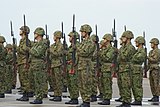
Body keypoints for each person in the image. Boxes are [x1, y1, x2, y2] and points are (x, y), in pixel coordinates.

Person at [76, 24, 95, 107]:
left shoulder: (90, 42)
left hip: (86, 65)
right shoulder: (83, 42)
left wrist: (77, 48)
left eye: (82, 31)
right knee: (81, 84)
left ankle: (87, 101)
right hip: (81, 64)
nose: (81, 33)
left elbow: (85, 52)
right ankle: (84, 100)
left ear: (86, 32)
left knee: (86, 83)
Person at [116, 30, 136, 107]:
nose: (122, 38)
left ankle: (127, 102)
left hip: (127, 69)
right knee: (122, 86)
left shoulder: (130, 47)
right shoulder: (123, 47)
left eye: (123, 37)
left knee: (126, 86)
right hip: (122, 68)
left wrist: (120, 51)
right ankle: (124, 101)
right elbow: (119, 59)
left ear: (128, 38)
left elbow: (124, 57)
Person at [29, 27, 48, 104]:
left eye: (35, 33)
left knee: (39, 81)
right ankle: (37, 96)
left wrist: (30, 49)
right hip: (34, 64)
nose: (34, 34)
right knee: (34, 81)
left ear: (39, 34)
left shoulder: (43, 43)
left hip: (39, 64)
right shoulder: (36, 43)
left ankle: (39, 98)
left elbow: (38, 53)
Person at [97, 34, 115, 105]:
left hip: (107, 68)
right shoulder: (105, 49)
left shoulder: (111, 49)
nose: (103, 41)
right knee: (103, 84)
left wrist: (100, 54)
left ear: (108, 40)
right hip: (103, 68)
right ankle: (105, 97)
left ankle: (107, 99)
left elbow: (107, 58)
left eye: (104, 39)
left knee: (107, 84)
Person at [16, 26, 32, 101]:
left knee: (25, 79)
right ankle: (24, 93)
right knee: (22, 78)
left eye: (21, 30)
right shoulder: (21, 40)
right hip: (20, 62)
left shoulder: (26, 41)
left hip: (24, 62)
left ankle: (26, 95)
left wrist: (17, 48)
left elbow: (25, 51)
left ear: (24, 31)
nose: (20, 31)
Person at [65, 31, 80, 105]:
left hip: (73, 66)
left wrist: (73, 63)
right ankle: (72, 97)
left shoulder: (77, 45)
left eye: (70, 37)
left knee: (74, 83)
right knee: (70, 83)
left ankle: (75, 98)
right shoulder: (71, 46)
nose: (69, 38)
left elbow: (77, 56)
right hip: (69, 66)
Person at [131, 36, 146, 105]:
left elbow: (137, 58)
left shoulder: (142, 51)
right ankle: (136, 98)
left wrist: (132, 57)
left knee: (137, 85)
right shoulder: (138, 50)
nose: (135, 43)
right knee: (134, 85)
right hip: (134, 69)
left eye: (136, 42)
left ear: (140, 42)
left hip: (137, 69)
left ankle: (138, 99)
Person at [49, 31, 63, 101]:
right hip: (53, 64)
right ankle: (55, 94)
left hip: (58, 65)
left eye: (54, 36)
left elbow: (57, 54)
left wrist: (51, 50)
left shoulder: (60, 45)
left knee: (58, 80)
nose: (53, 37)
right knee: (53, 80)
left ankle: (59, 95)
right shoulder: (53, 45)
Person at [148, 38, 160, 102]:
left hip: (155, 69)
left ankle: (157, 96)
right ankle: (154, 95)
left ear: (155, 44)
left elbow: (155, 60)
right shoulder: (151, 52)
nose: (151, 45)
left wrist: (148, 57)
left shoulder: (158, 51)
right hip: (151, 68)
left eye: (152, 43)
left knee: (156, 83)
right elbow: (149, 62)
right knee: (151, 83)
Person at [90, 34, 98, 102]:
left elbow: (93, 56)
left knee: (93, 80)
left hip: (94, 64)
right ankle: (92, 93)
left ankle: (94, 94)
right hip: (91, 64)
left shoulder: (95, 47)